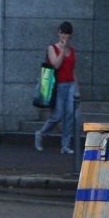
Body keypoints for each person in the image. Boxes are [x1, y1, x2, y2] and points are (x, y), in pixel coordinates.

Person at [34, 22, 79, 154]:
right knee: (57, 115)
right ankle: (41, 134)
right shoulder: (52, 48)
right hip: (58, 85)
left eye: (67, 33)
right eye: (62, 32)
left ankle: (65, 145)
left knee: (69, 115)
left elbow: (73, 70)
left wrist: (77, 88)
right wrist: (62, 49)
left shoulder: (72, 51)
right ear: (58, 33)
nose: (64, 36)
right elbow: (56, 65)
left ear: (71, 35)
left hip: (70, 84)